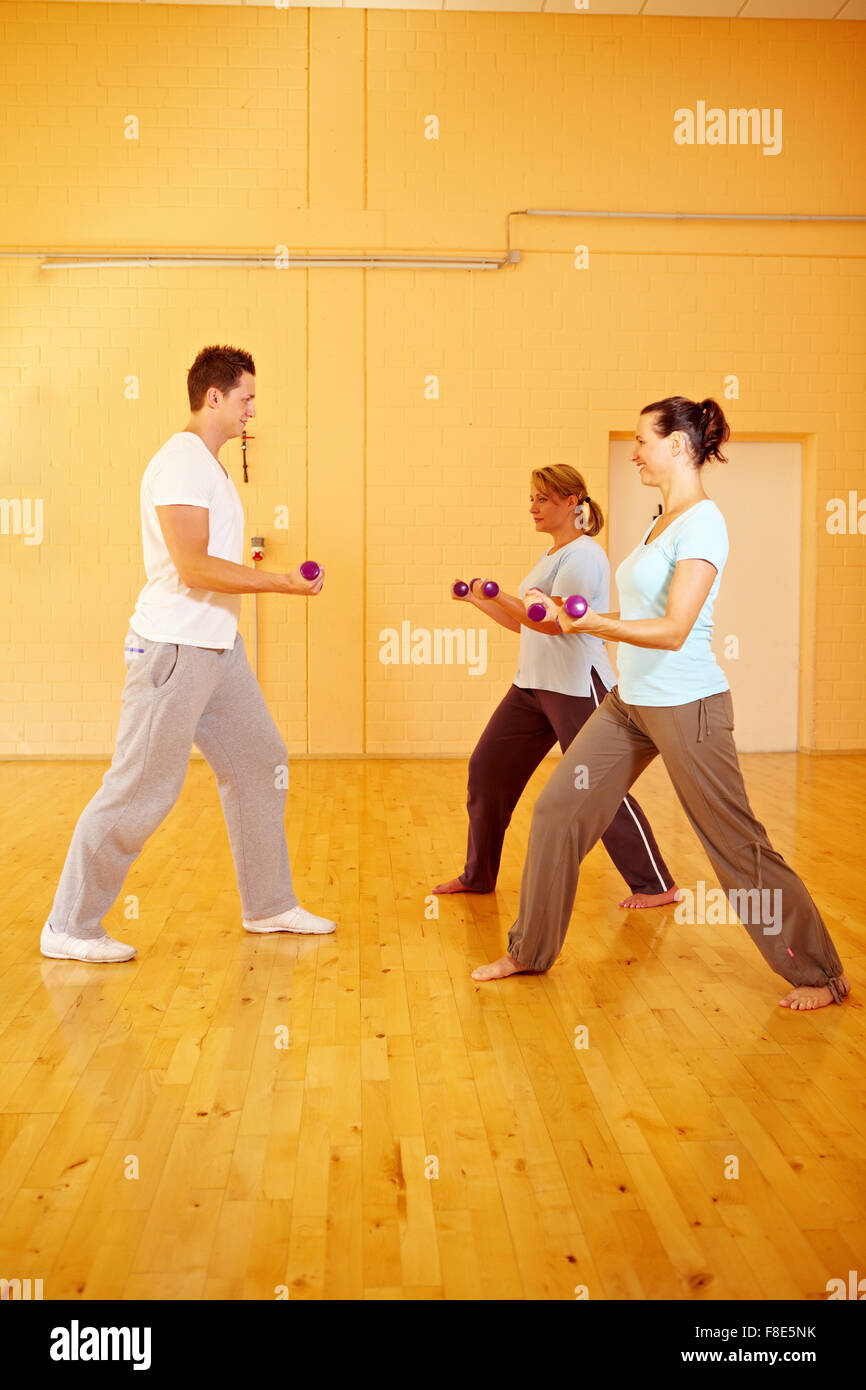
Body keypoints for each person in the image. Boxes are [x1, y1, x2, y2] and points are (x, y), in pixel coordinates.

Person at [472, 396, 850, 1013]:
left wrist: (596, 624)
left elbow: (675, 629)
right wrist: (588, 623)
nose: (635, 452)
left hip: (687, 704)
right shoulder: (660, 519)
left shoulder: (704, 522)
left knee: (734, 843)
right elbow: (642, 618)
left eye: (644, 441)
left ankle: (820, 973)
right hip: (632, 704)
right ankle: (529, 950)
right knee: (558, 812)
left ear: (677, 445)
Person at [41, 344, 336, 963]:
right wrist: (280, 582)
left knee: (260, 760)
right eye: (247, 397)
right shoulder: (181, 462)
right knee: (140, 788)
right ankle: (69, 925)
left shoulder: (210, 464)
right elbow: (194, 566)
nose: (253, 408)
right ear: (215, 397)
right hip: (173, 650)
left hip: (216, 652)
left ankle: (268, 903)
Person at [434, 464, 678, 909]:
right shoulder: (551, 556)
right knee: (488, 769)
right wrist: (480, 600)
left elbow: (555, 624)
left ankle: (655, 883)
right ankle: (478, 874)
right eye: (531, 498)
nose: (533, 507)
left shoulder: (583, 555)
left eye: (542, 499)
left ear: (572, 502)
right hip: (531, 686)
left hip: (574, 686)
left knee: (596, 786)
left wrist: (501, 594)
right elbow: (522, 624)